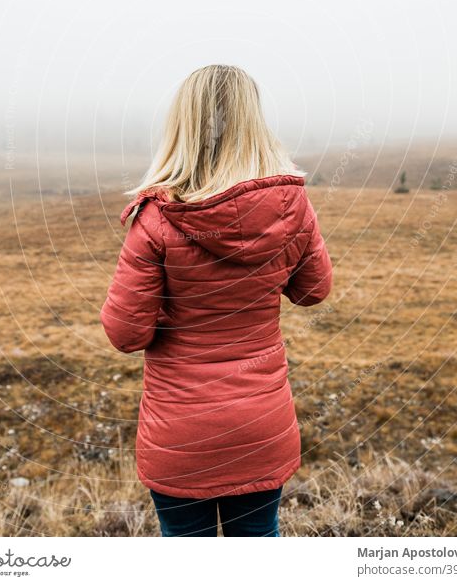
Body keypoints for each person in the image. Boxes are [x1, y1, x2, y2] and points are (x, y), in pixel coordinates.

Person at [101, 64, 333, 536]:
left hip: (181, 435)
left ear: (181, 126)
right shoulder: (291, 206)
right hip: (261, 424)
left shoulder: (156, 219)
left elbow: (126, 335)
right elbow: (313, 291)